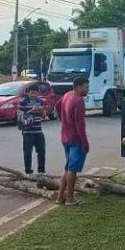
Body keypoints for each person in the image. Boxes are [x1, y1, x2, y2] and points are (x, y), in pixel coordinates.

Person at [55, 77, 89, 206]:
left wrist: (62, 120)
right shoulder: (79, 101)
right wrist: (85, 143)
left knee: (68, 167)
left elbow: (57, 106)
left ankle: (59, 197)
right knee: (72, 169)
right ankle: (69, 198)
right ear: (79, 87)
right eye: (86, 87)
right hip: (75, 139)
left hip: (65, 137)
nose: (87, 89)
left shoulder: (67, 95)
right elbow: (80, 126)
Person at [18, 84, 46, 175]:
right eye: (31, 93)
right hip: (27, 132)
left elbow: (44, 116)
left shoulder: (40, 101)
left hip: (38, 130)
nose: (33, 95)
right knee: (27, 153)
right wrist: (31, 110)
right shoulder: (23, 102)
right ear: (28, 92)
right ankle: (28, 171)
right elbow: (19, 116)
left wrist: (42, 111)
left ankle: (41, 171)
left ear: (38, 93)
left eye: (35, 93)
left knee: (41, 151)